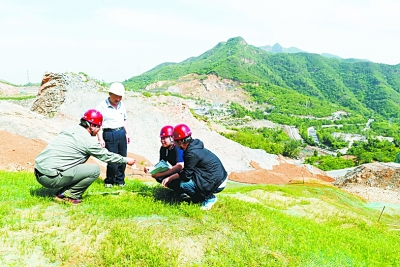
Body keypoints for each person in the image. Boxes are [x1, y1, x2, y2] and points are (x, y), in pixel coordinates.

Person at [34, 109, 136, 204]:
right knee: (94, 170)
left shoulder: (70, 129)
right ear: (91, 125)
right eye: (98, 127)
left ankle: (64, 189)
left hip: (38, 171)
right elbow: (106, 156)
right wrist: (126, 160)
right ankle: (68, 196)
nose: (99, 130)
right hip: (50, 178)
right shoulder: (88, 141)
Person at [162, 124, 228, 210]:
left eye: (175, 141)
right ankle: (198, 197)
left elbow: (186, 176)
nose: (174, 143)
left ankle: (209, 198)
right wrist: (171, 177)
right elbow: (187, 171)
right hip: (218, 177)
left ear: (181, 142)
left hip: (218, 182)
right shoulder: (193, 147)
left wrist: (170, 178)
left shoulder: (191, 153)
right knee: (186, 180)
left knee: (184, 184)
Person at [96, 82, 131, 188]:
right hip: (109, 133)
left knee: (123, 157)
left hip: (121, 133)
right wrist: (100, 138)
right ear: (110, 94)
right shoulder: (102, 106)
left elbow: (124, 119)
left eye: (120, 97)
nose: (118, 99)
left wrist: (127, 133)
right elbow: (97, 124)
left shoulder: (121, 105)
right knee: (112, 159)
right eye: (116, 96)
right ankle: (109, 181)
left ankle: (120, 181)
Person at [144, 125, 184, 197]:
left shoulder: (177, 148)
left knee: (160, 176)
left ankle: (181, 192)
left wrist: (161, 174)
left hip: (184, 173)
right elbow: (162, 163)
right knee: (158, 176)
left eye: (165, 138)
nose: (162, 140)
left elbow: (180, 167)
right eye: (161, 138)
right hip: (176, 171)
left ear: (172, 138)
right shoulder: (163, 148)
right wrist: (152, 168)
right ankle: (177, 191)